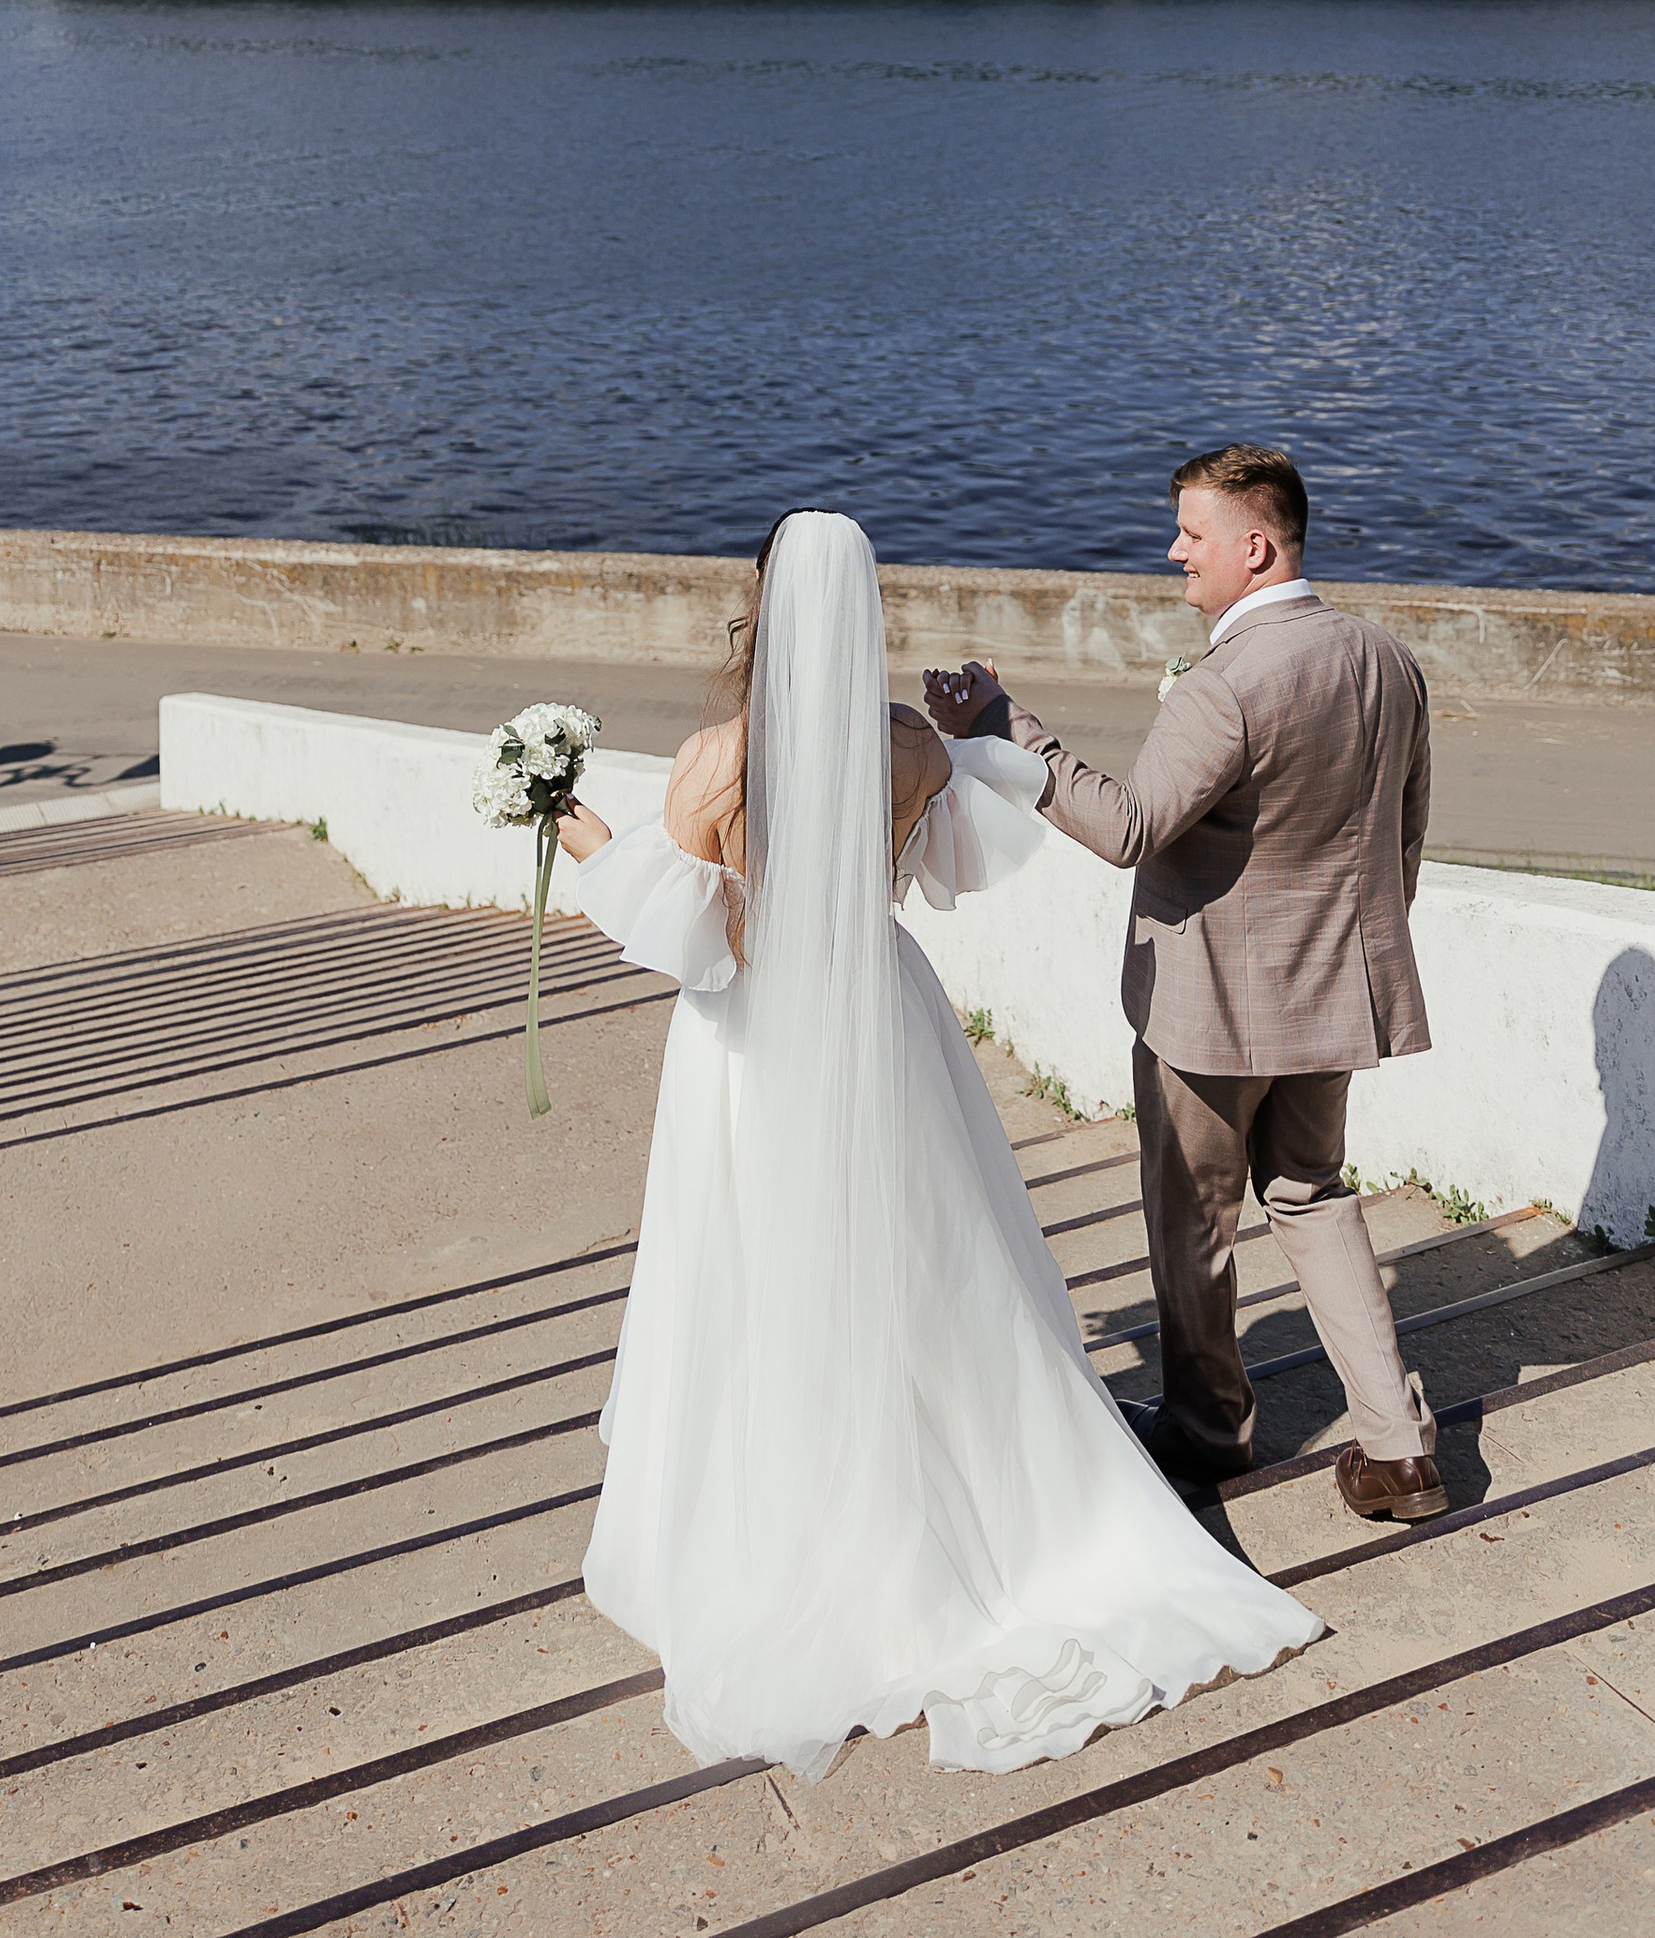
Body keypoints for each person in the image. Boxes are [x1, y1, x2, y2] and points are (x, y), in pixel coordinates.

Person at [552, 507, 1322, 1782]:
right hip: (884, 1023)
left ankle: (800, 1524)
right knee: (924, 1263)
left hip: (756, 1053)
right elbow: (953, 841)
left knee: (764, 1272)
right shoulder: (909, 747)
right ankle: (985, 1508)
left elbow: (691, 939)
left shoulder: (716, 763)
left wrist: (570, 829)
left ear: (759, 611)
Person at [924, 444, 1444, 1522]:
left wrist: (1002, 729)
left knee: (1192, 1220)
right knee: (1311, 1194)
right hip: (1333, 995)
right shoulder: (1388, 662)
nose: (1174, 553)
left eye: (1192, 535)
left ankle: (1209, 1433)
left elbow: (1126, 829)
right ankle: (1398, 1446)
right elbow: (1403, 842)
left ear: (1253, 546)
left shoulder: (1229, 682)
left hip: (1207, 1010)